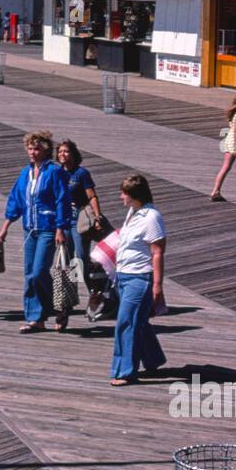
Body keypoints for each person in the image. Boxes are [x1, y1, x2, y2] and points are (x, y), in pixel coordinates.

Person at [0, 130, 72, 333]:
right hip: (29, 230)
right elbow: (16, 200)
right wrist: (5, 226)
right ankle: (35, 318)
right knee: (30, 274)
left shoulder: (54, 172)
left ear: (45, 150)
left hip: (48, 229)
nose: (32, 152)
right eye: (29, 148)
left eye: (36, 148)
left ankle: (54, 308)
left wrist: (60, 228)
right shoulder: (25, 173)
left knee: (39, 272)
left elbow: (62, 200)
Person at [110, 174, 167, 386]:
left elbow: (158, 251)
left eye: (124, 193)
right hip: (124, 275)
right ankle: (153, 359)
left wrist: (157, 286)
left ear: (134, 195)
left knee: (127, 322)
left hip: (140, 277)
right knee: (139, 321)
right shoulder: (133, 213)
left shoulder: (151, 218)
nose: (120, 196)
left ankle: (124, 371)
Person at [54, 139, 104, 331]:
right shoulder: (57, 173)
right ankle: (65, 307)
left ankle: (94, 289)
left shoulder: (81, 173)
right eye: (60, 152)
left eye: (66, 152)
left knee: (80, 259)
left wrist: (97, 216)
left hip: (78, 221)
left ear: (73, 154)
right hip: (62, 222)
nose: (62, 155)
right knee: (64, 264)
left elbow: (91, 196)